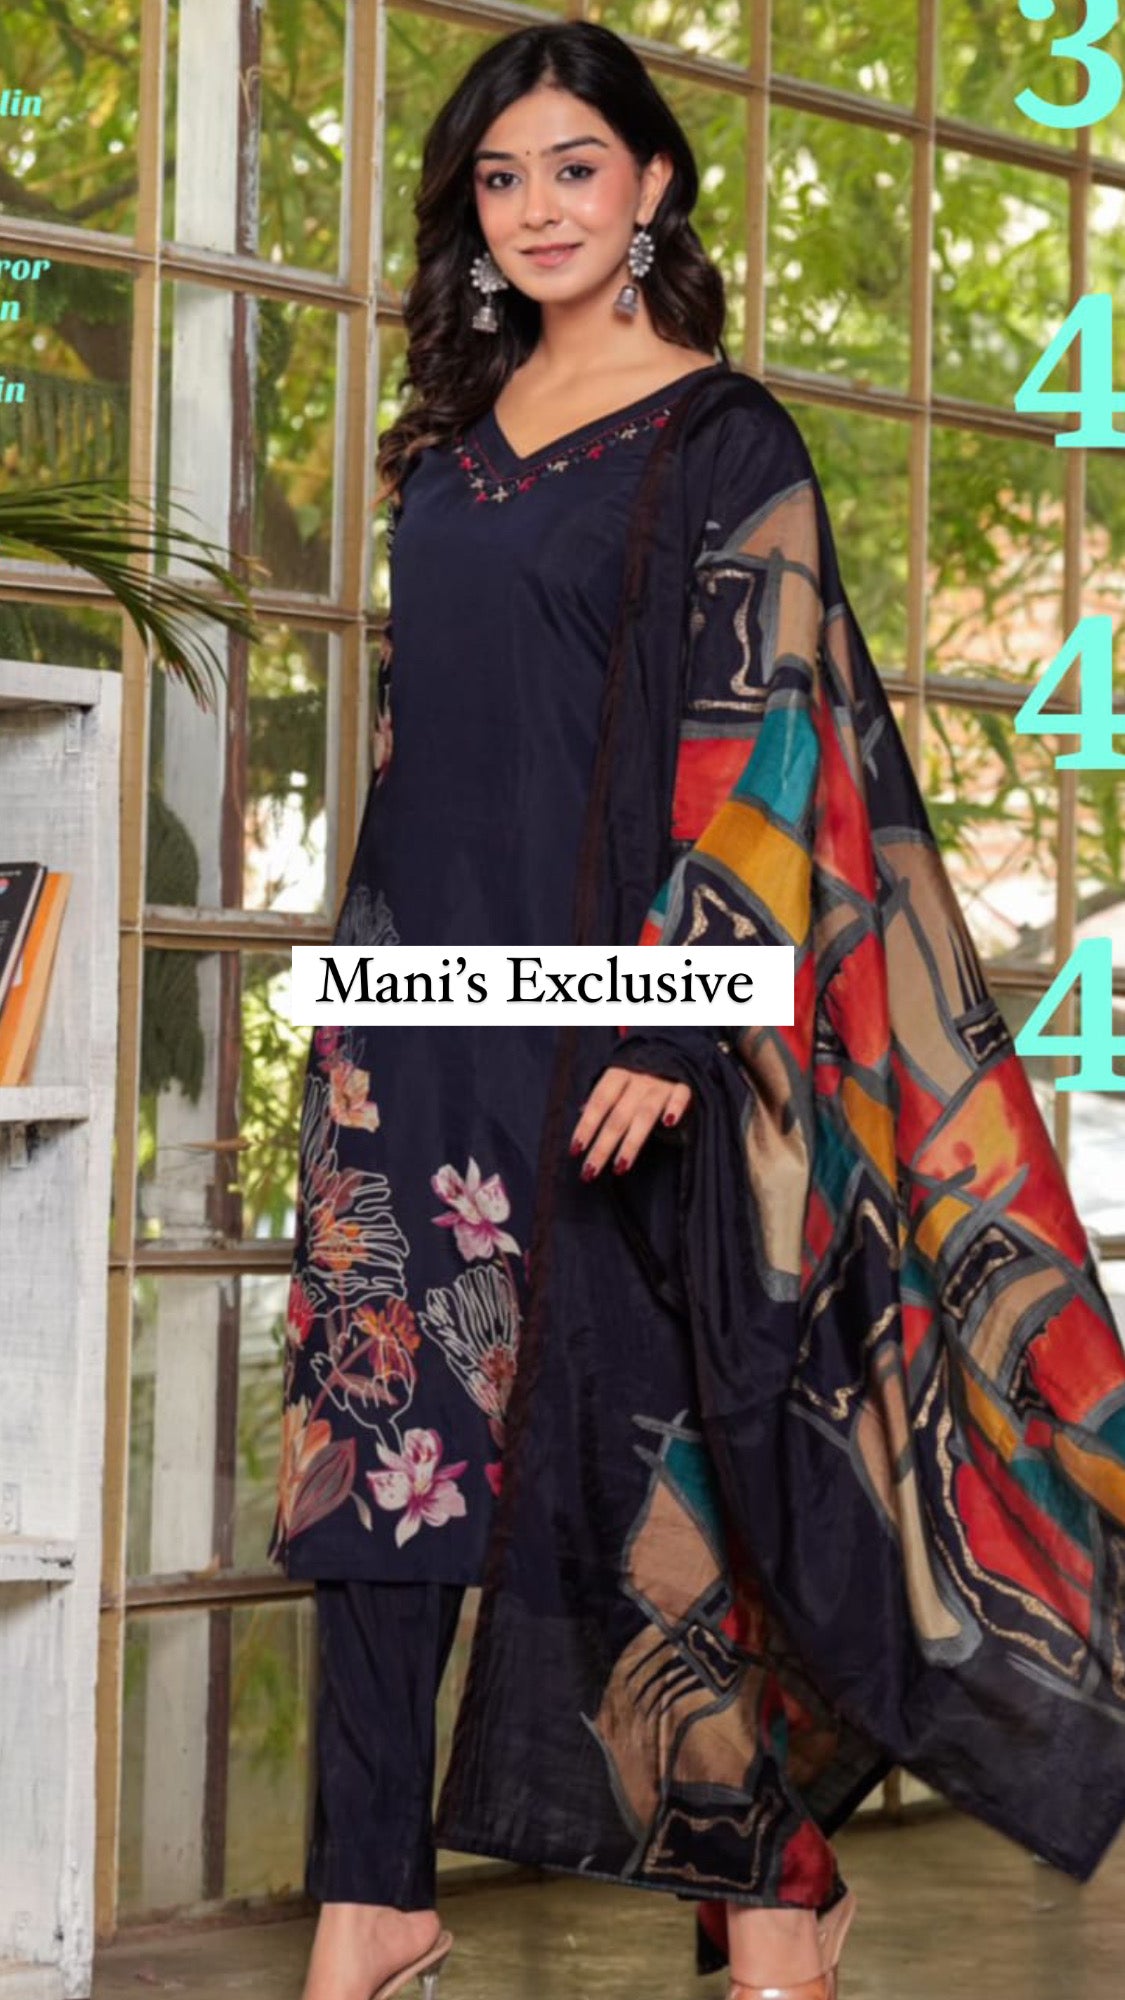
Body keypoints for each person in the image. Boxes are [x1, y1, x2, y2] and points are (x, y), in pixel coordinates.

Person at [270, 20, 1125, 2000]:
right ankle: (370, 1898)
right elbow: (417, 745)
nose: (537, 208)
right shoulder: (444, 446)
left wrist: (672, 1013)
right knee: (377, 1450)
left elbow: (769, 735)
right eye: (500, 179)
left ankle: (769, 1896)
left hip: (632, 1028)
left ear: (650, 184)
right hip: (419, 1009)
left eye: (574, 167)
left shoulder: (721, 436)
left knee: (658, 1463)